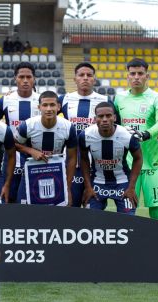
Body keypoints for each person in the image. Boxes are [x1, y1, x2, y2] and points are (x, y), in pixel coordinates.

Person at [114, 58, 158, 221]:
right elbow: (115, 123)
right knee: (128, 212)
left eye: (140, 73)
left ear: (147, 76)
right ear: (127, 76)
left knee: (156, 212)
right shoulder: (119, 98)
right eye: (132, 73)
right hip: (128, 166)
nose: (136, 77)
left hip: (153, 164)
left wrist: (145, 134)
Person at [15, 91, 77, 205]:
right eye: (45, 105)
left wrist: (67, 187)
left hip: (56, 173)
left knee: (54, 214)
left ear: (58, 107)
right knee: (24, 212)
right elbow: (13, 144)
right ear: (39, 107)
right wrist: (30, 150)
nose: (48, 109)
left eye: (52, 105)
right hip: (31, 173)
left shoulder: (68, 127)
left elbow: (72, 158)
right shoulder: (28, 125)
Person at [59, 62, 108, 207]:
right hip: (71, 161)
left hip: (96, 163)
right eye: (81, 75)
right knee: (70, 205)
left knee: (92, 208)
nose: (85, 78)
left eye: (89, 75)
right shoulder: (64, 99)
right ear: (75, 79)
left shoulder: (104, 101)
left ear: (94, 79)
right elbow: (42, 110)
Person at [80, 102, 142, 214]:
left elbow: (138, 158)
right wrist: (88, 187)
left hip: (122, 183)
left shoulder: (127, 136)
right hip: (97, 184)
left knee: (128, 223)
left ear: (114, 117)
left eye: (108, 116)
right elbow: (84, 160)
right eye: (100, 116)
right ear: (95, 119)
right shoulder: (85, 136)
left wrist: (131, 187)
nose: (104, 119)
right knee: (90, 221)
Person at [0, 62, 39, 203]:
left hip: (36, 159)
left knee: (34, 201)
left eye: (28, 77)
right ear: (15, 78)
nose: (25, 80)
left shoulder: (43, 101)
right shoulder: (5, 100)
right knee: (9, 199)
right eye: (21, 77)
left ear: (34, 78)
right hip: (11, 158)